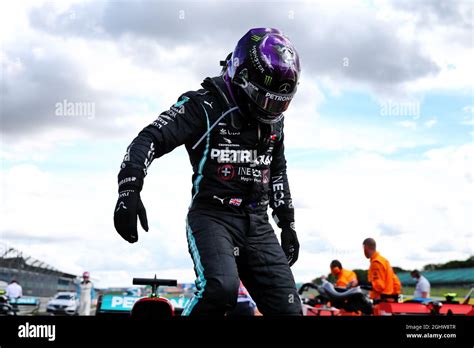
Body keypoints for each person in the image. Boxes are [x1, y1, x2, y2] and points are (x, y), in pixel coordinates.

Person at [113, 28, 302, 316]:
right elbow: (148, 138)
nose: (271, 108)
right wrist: (129, 189)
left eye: (280, 101)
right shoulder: (203, 105)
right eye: (266, 98)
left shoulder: (276, 123)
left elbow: (277, 169)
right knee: (220, 289)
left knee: (290, 310)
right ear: (241, 76)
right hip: (213, 217)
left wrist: (287, 223)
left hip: (258, 223)